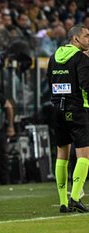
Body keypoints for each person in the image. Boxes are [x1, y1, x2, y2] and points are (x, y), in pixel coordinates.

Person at [47, 24, 89, 213]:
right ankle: (75, 197)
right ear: (76, 39)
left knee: (61, 156)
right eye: (87, 36)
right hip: (77, 109)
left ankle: (63, 202)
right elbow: (86, 84)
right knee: (84, 156)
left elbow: (50, 82)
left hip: (57, 109)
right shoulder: (81, 58)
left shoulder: (53, 57)